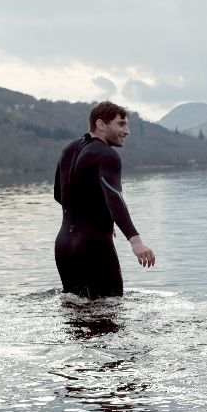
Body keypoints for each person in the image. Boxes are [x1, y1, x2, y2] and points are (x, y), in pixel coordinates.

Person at [52, 100, 155, 298]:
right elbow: (114, 198)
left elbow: (60, 194)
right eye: (121, 124)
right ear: (100, 124)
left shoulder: (69, 149)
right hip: (93, 245)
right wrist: (136, 242)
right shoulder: (107, 155)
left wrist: (94, 219)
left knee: (76, 314)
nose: (127, 131)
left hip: (64, 246)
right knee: (110, 313)